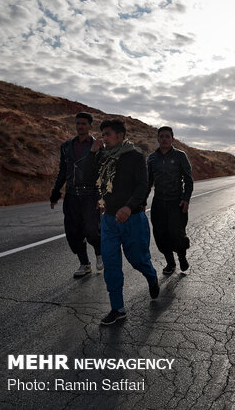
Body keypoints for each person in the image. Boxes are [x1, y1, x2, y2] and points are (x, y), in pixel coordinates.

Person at [89, 119, 160, 325]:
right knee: (111, 264)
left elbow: (142, 186)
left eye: (107, 134)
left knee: (138, 259)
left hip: (133, 218)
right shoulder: (102, 156)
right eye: (102, 134)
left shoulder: (136, 157)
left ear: (120, 136)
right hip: (109, 220)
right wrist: (92, 153)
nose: (103, 138)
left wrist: (128, 207)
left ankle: (151, 276)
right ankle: (117, 308)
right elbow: (89, 176)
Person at [50, 112, 103, 277]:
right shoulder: (66, 146)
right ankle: (84, 264)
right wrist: (55, 191)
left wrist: (103, 197)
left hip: (91, 194)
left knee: (92, 230)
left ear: (90, 126)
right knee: (73, 232)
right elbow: (63, 171)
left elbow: (103, 173)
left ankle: (99, 252)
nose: (80, 126)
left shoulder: (98, 146)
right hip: (72, 195)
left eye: (84, 124)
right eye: (78, 123)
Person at [147, 126, 194, 274]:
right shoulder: (152, 158)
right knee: (160, 235)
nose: (164, 139)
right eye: (161, 136)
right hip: (158, 203)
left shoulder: (180, 156)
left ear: (172, 139)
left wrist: (186, 199)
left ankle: (181, 256)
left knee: (177, 234)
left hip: (177, 202)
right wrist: (141, 201)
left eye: (167, 136)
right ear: (158, 139)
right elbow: (148, 182)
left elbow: (188, 179)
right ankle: (170, 263)